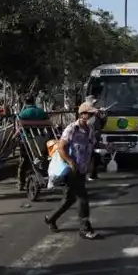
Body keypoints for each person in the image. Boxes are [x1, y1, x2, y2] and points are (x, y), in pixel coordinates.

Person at [44, 101, 101, 239]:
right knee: (83, 197)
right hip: (72, 170)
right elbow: (61, 147)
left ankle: (51, 218)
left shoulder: (90, 130)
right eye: (91, 114)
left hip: (82, 169)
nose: (94, 116)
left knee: (69, 199)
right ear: (83, 115)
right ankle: (84, 227)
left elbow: (94, 144)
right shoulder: (71, 129)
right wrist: (71, 162)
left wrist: (108, 146)